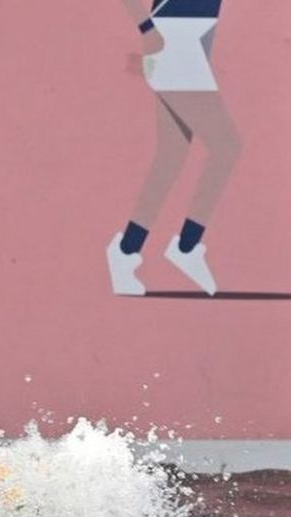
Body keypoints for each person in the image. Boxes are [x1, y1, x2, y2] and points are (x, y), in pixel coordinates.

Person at [108, 0, 239, 296]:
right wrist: (147, 30)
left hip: (194, 39)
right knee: (226, 147)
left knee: (172, 154)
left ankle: (127, 251)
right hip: (174, 43)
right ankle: (186, 245)